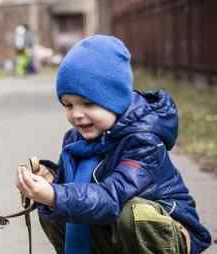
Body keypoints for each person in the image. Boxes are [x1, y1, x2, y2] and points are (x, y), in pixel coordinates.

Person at [15, 35, 211, 254]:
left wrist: (55, 194)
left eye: (88, 103)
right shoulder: (75, 140)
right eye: (68, 105)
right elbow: (79, 193)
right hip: (114, 228)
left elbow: (112, 197)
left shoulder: (143, 141)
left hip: (165, 232)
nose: (77, 115)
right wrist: (51, 179)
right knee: (56, 208)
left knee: (133, 213)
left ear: (115, 100)